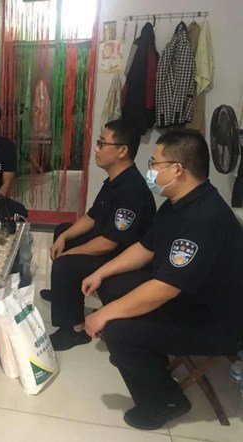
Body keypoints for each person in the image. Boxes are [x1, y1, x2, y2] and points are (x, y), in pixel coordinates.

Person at [82, 129, 243, 430]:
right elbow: (145, 248)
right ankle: (147, 359)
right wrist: (101, 272)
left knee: (118, 330)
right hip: (188, 296)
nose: (150, 170)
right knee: (112, 284)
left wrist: (103, 314)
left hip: (215, 322)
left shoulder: (204, 218)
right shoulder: (177, 202)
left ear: (178, 169)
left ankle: (165, 402)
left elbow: (164, 290)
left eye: (154, 163)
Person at [46, 119, 156, 351]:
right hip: (110, 244)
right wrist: (64, 238)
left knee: (66, 264)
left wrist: (70, 253)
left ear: (122, 151)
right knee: (63, 230)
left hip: (122, 258)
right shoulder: (114, 181)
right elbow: (92, 217)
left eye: (102, 143)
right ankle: (62, 294)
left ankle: (75, 331)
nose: (96, 149)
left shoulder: (132, 190)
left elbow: (108, 244)